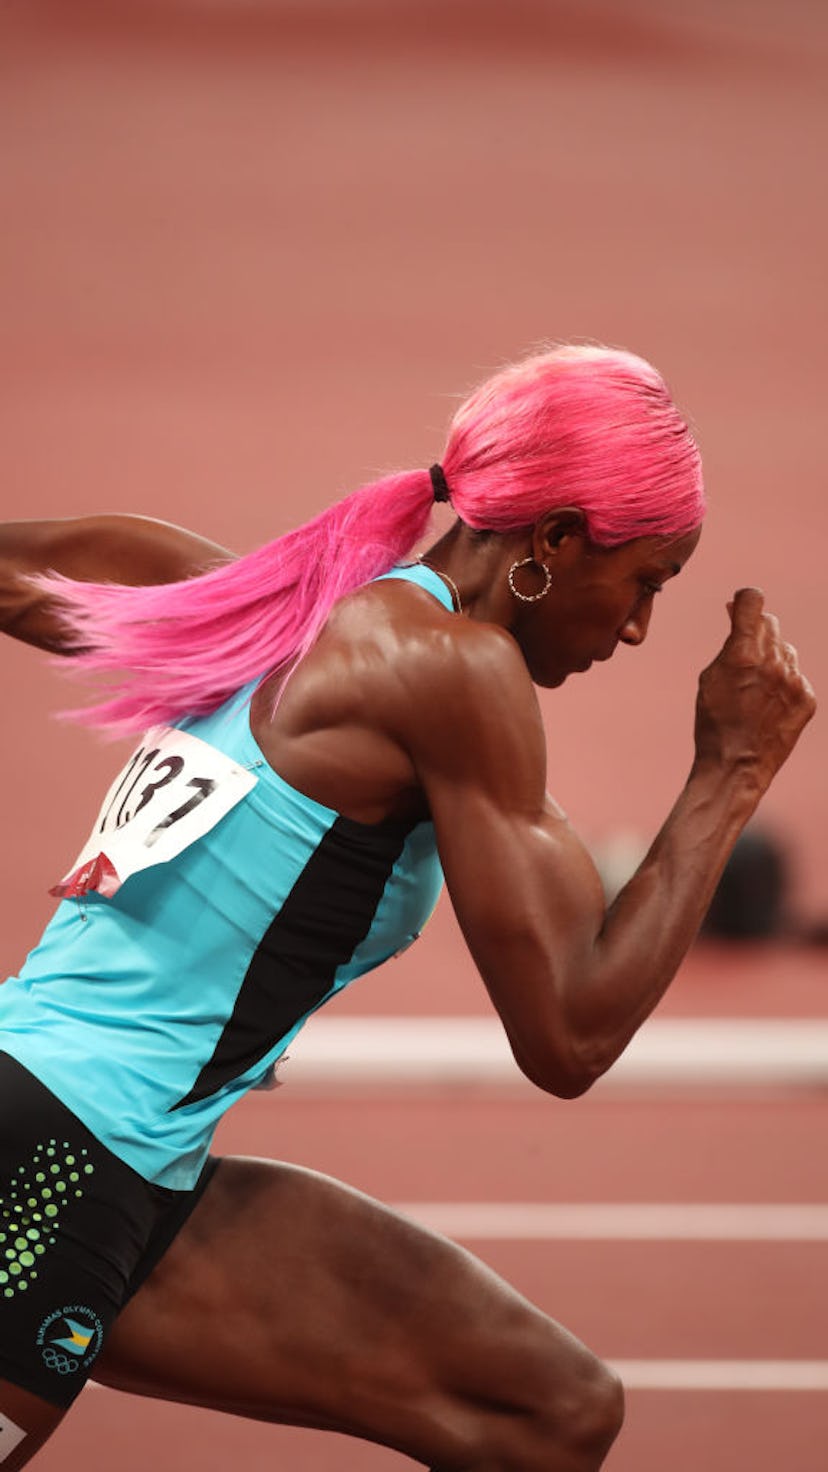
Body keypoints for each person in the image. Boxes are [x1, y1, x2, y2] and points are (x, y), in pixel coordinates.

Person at [0, 343, 814, 1472]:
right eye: (647, 581)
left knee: (544, 1407)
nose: (634, 629)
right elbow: (570, 1036)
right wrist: (731, 770)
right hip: (52, 1162)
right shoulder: (455, 670)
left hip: (132, 1157)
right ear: (553, 541)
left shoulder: (276, 603)